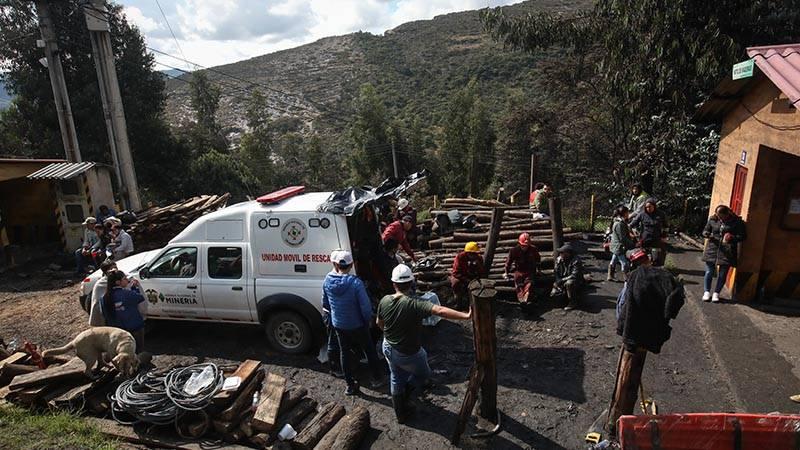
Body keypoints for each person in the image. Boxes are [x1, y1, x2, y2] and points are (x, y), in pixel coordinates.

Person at [377, 264, 471, 423]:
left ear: (394, 284)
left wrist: (392, 332)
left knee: (396, 377)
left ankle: (401, 414)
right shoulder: (414, 304)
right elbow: (440, 311)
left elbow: (379, 323)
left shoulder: (385, 300)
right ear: (411, 283)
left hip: (387, 346)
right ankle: (407, 390)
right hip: (408, 352)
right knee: (423, 374)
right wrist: (466, 316)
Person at [322, 249, 383, 395]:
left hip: (339, 324)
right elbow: (365, 307)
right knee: (369, 349)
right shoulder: (356, 283)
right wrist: (367, 320)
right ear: (352, 265)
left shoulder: (327, 280)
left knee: (344, 353)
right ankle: (377, 378)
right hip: (357, 324)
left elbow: (325, 303)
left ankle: (350, 385)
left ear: (336, 264)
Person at [701, 205, 746, 302]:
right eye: (718, 215)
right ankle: (706, 292)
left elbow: (742, 236)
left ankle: (716, 293)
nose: (719, 218)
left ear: (727, 214)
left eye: (721, 216)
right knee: (709, 271)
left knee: (722, 274)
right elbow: (705, 230)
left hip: (728, 250)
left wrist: (732, 237)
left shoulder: (737, 222)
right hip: (712, 248)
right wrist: (707, 234)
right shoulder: (713, 219)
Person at [101, 270, 147, 352]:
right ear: (118, 282)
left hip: (117, 332)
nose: (127, 280)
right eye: (125, 278)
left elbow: (104, 314)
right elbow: (140, 298)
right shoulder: (127, 294)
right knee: (138, 351)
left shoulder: (104, 298)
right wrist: (135, 288)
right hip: (134, 328)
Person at [503, 233, 541, 303]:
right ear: (519, 244)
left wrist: (539, 270)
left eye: (526, 246)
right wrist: (506, 273)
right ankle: (521, 299)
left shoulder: (533, 249)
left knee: (529, 283)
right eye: (523, 246)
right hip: (519, 270)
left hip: (530, 271)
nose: (525, 247)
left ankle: (527, 296)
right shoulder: (514, 250)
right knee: (518, 282)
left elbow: (538, 260)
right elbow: (508, 262)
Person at [629, 198, 668, 266]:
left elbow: (666, 226)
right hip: (645, 239)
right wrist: (631, 234)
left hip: (657, 239)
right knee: (644, 259)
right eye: (646, 207)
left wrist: (664, 236)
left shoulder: (661, 214)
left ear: (654, 206)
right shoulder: (642, 214)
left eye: (650, 207)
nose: (648, 208)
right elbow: (631, 224)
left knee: (657, 259)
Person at [449, 242, 485, 309]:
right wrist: (466, 280)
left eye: (475, 253)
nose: (474, 255)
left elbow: (481, 272)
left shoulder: (479, 258)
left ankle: (473, 303)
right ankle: (458, 302)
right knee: (456, 283)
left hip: (472, 276)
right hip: (460, 276)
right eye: (473, 254)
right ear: (468, 253)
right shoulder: (460, 257)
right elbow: (455, 273)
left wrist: (477, 267)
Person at [551, 243, 585, 311]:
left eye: (562, 252)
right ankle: (564, 298)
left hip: (575, 281)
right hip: (562, 280)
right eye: (560, 252)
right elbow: (556, 272)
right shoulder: (559, 260)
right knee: (554, 294)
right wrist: (557, 280)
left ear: (568, 253)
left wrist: (562, 280)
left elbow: (574, 275)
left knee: (569, 283)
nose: (560, 254)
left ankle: (573, 302)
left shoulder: (576, 261)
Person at [609, 205, 636, 281]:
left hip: (615, 246)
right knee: (624, 263)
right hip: (619, 247)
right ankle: (626, 278)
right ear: (624, 213)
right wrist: (632, 244)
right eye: (627, 212)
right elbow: (622, 238)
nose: (629, 214)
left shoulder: (619, 222)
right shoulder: (619, 224)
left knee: (614, 260)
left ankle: (610, 275)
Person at [89, 260, 117, 327]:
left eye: (116, 268)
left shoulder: (117, 278)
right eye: (111, 269)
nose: (115, 270)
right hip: (104, 314)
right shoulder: (101, 284)